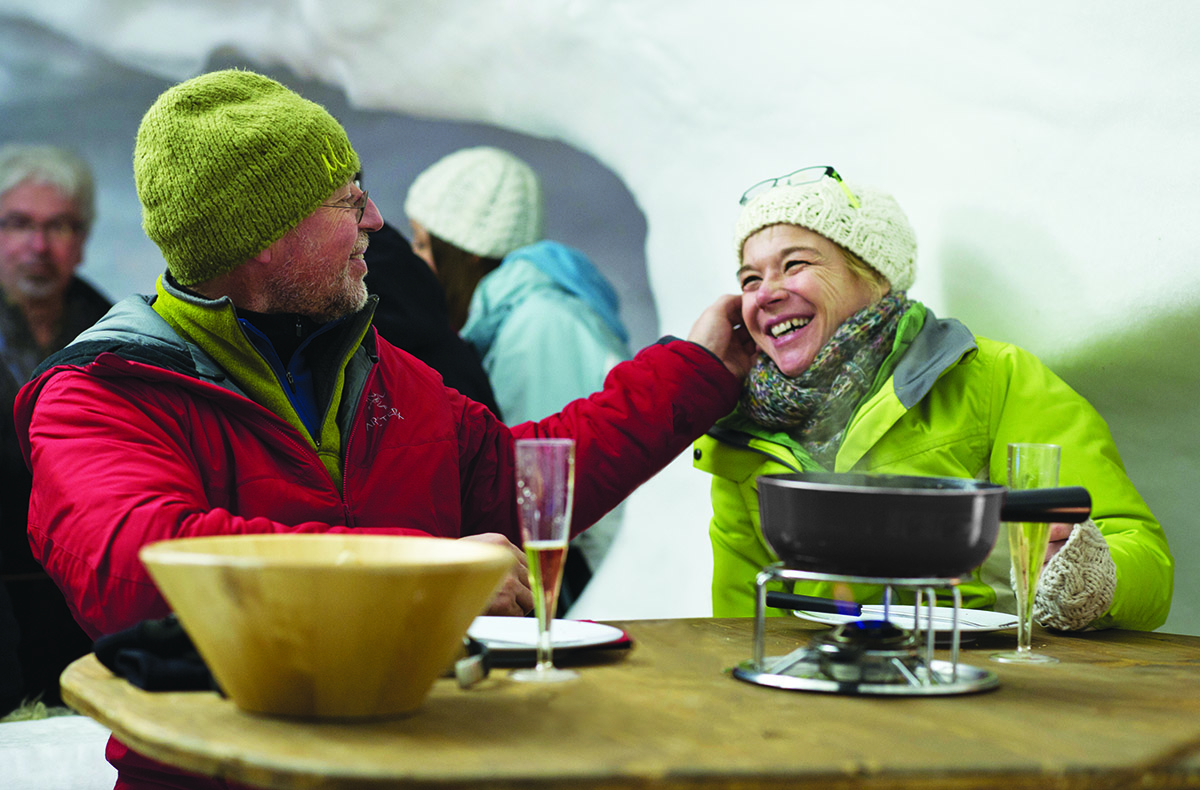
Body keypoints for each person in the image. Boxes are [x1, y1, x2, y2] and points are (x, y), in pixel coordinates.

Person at [13, 69, 754, 789]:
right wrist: (427, 578)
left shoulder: (378, 369)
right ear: (268, 236)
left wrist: (694, 372)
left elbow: (516, 476)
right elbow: (139, 569)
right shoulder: (102, 395)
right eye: (349, 201)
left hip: (410, 761)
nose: (374, 221)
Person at [694, 165, 1173, 631]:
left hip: (986, 686)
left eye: (794, 264)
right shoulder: (741, 434)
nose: (765, 294)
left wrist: (1093, 577)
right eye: (750, 280)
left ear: (875, 276)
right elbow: (741, 626)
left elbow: (1142, 555)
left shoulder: (994, 378)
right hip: (823, 689)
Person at [404, 146, 635, 612]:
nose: (415, 259)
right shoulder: (512, 317)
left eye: (424, 244)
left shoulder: (538, 325)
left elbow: (537, 484)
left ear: (465, 254)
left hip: (566, 577)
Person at [0, 143, 111, 709]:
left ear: (83, 239)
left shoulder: (118, 336)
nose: (38, 246)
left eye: (58, 226)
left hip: (86, 602)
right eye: (18, 223)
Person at [363, 216, 503, 417]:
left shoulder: (536, 322)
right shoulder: (446, 338)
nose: (416, 255)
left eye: (422, 244)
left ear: (470, 255)